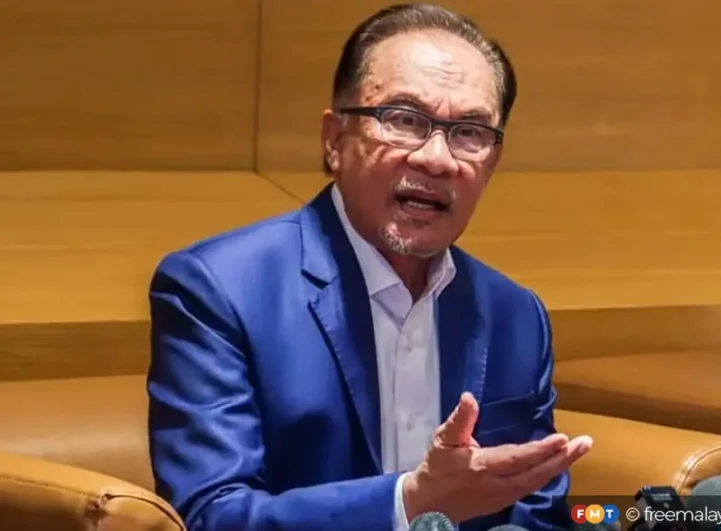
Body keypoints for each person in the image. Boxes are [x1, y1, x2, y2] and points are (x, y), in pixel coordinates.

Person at [146, 3, 593, 530]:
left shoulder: (515, 315)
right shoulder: (219, 290)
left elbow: (537, 514)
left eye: (469, 132)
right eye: (404, 120)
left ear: (492, 162)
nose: (437, 158)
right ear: (335, 141)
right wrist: (409, 502)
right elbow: (213, 516)